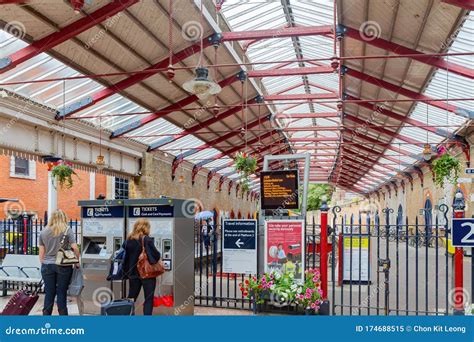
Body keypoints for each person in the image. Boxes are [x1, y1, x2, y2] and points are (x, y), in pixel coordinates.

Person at [38, 209, 80, 315]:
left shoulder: (43, 232)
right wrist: (76, 261)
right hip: (63, 265)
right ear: (63, 218)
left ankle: (46, 317)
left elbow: (41, 252)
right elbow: (75, 248)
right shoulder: (67, 230)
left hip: (47, 265)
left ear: (52, 218)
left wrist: (44, 263)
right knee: (62, 292)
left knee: (49, 292)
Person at [123, 218, 161, 315]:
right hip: (147, 274)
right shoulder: (147, 239)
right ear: (146, 227)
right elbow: (156, 256)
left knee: (131, 297)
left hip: (133, 274)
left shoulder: (128, 240)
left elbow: (125, 258)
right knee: (148, 299)